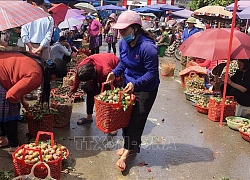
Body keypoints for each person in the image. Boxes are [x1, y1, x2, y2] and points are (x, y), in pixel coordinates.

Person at [105, 10, 160, 171]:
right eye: (119, 30)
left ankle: (127, 152)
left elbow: (152, 74)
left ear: (135, 28)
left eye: (124, 30)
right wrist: (114, 73)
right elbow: (124, 63)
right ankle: (131, 145)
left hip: (146, 89)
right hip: (128, 85)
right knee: (125, 118)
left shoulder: (148, 48)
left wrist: (136, 84)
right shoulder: (122, 43)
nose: (121, 33)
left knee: (137, 121)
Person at [0, 51, 67, 154]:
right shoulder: (36, 75)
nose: (55, 80)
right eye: (57, 78)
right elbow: (11, 95)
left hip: (3, 66)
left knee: (12, 104)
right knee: (11, 109)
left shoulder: (38, 61)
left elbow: (18, 83)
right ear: (53, 75)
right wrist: (17, 101)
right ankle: (13, 146)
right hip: (2, 75)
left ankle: (3, 138)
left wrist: (23, 101)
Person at [70, 53, 119, 126]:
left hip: (113, 65)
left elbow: (115, 82)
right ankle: (89, 117)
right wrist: (73, 91)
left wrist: (102, 94)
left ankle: (111, 122)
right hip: (100, 63)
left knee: (108, 97)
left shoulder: (106, 72)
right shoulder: (82, 67)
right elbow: (77, 78)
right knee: (90, 91)